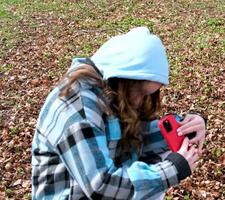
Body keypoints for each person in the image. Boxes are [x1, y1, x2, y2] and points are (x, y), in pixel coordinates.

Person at [31, 27, 207, 200]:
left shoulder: (110, 93)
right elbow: (102, 186)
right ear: (124, 80)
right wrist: (171, 170)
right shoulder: (77, 107)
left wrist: (184, 128)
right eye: (143, 93)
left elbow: (135, 138)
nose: (142, 102)